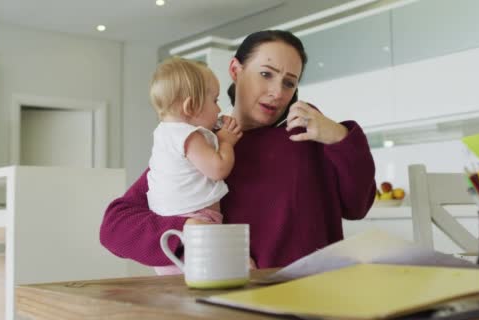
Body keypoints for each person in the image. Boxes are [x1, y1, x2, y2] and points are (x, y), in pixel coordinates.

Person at [100, 30, 377, 271]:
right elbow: (115, 227)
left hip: (313, 300)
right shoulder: (200, 147)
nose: (278, 92)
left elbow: (357, 206)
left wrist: (339, 136)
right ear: (235, 70)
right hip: (229, 305)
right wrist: (189, 231)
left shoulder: (305, 136)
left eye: (289, 83)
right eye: (266, 74)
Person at [145, 58, 242, 274]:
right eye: (215, 100)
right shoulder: (189, 135)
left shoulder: (164, 133)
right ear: (190, 106)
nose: (218, 108)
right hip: (197, 222)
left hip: (171, 231)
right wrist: (226, 141)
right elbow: (218, 169)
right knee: (237, 267)